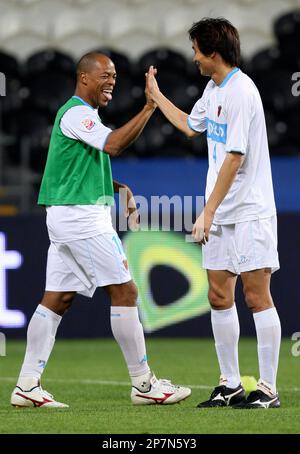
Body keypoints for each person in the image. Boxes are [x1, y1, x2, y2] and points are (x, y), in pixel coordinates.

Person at [11, 52, 191, 408]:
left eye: (115, 76)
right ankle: (144, 384)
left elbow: (79, 167)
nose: (112, 81)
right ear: (84, 78)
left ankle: (27, 385)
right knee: (125, 292)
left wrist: (118, 186)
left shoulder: (83, 116)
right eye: (105, 75)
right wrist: (150, 107)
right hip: (81, 219)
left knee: (57, 299)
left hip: (67, 216)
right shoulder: (77, 112)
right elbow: (114, 144)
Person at [146, 18, 281, 409]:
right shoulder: (213, 88)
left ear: (213, 53)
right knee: (219, 295)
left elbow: (235, 158)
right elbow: (191, 126)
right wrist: (156, 97)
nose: (193, 58)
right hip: (222, 213)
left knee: (257, 297)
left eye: (196, 51)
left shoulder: (242, 91)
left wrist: (206, 211)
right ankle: (231, 383)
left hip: (249, 212)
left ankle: (268, 388)